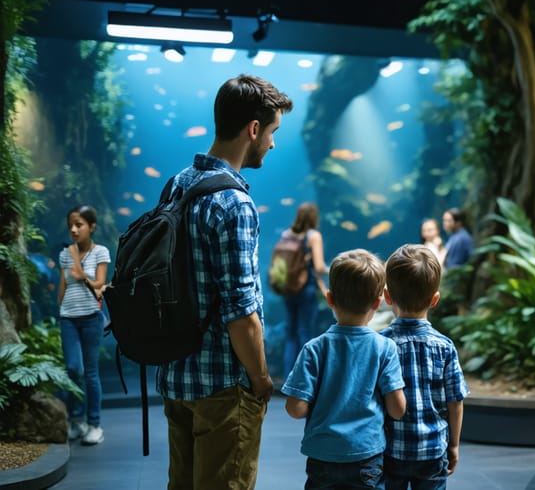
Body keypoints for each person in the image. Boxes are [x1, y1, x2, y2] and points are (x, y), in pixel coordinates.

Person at [157, 74, 293, 489]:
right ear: (253, 129)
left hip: (177, 377)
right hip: (223, 388)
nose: (272, 143)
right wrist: (262, 379)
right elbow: (242, 314)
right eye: (271, 132)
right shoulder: (234, 203)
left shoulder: (177, 186)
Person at [282, 249, 406, 490]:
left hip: (322, 456)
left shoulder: (313, 349)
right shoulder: (384, 348)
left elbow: (295, 409)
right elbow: (398, 409)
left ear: (329, 299)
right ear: (377, 303)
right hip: (366, 454)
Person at [380, 244, 469, 490]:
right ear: (435, 299)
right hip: (432, 449)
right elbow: (455, 401)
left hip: (390, 449)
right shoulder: (445, 347)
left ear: (387, 296)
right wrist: (454, 444)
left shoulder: (380, 345)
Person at [58, 204, 110, 446]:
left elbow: (100, 285)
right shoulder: (65, 254)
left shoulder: (101, 252)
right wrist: (60, 307)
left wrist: (81, 276)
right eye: (71, 225)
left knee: (90, 373)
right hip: (68, 317)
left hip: (91, 317)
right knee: (73, 368)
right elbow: (62, 287)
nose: (73, 229)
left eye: (79, 224)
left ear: (92, 226)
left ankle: (95, 425)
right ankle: (76, 420)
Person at [277, 202, 329, 380]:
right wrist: (338, 268)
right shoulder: (313, 236)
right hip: (306, 288)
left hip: (288, 288)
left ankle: (287, 377)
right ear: (314, 217)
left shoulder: (287, 234)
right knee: (305, 332)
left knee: (290, 333)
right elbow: (320, 267)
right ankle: (303, 379)